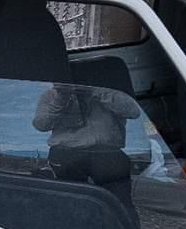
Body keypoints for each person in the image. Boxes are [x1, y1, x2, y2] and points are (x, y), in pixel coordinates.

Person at [32, 80, 141, 210]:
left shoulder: (111, 92)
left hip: (108, 156)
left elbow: (133, 112)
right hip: (66, 156)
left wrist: (95, 89)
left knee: (120, 206)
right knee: (68, 205)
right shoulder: (51, 95)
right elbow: (41, 124)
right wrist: (61, 97)